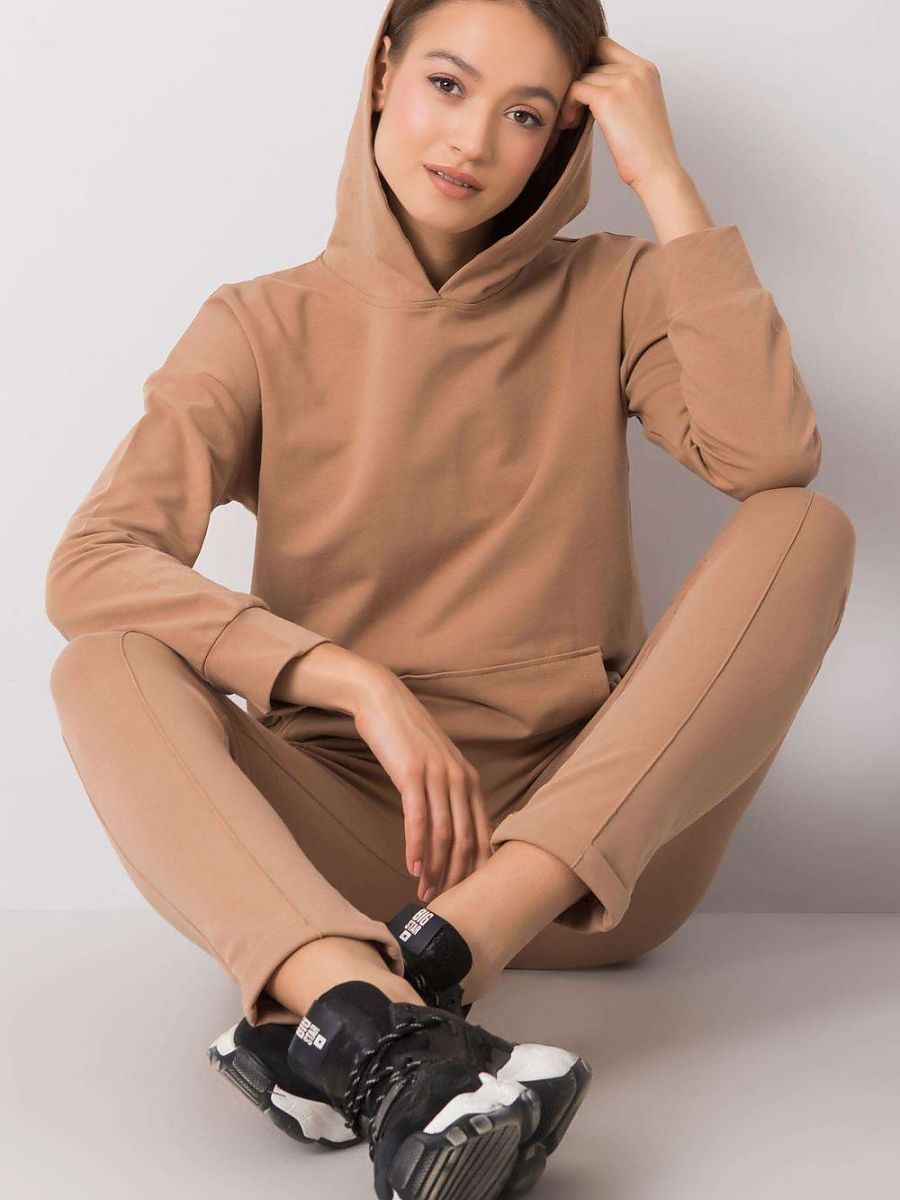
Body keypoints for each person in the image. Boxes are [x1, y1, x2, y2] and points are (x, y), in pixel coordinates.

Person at [45, 1, 856, 1196]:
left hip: (585, 874)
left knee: (805, 529)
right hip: (346, 851)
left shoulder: (617, 289)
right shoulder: (257, 325)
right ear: (382, 71)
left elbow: (768, 455)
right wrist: (349, 679)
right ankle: (381, 1031)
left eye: (525, 113)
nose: (472, 140)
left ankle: (403, 984)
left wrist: (663, 177)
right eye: (447, 84)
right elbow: (92, 561)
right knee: (100, 661)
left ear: (566, 137)